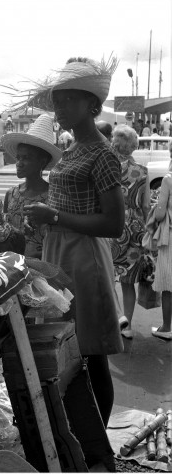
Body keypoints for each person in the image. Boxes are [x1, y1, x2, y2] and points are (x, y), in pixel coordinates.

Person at [22, 56, 125, 430]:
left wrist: (54, 217)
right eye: (57, 99)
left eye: (68, 99)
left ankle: (100, 450)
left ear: (92, 105)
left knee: (91, 354)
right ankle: (81, 437)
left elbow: (115, 224)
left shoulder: (102, 153)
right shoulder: (74, 149)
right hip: (60, 254)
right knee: (67, 349)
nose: (59, 107)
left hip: (84, 259)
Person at [0, 114, 62, 259]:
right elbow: (5, 232)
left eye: (26, 158)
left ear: (43, 161)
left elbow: (58, 240)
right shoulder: (11, 194)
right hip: (12, 268)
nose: (19, 163)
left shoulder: (53, 196)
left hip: (42, 269)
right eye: (18, 157)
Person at [109, 125, 150, 339]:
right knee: (128, 282)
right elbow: (145, 206)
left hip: (110, 225)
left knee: (107, 278)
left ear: (114, 144)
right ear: (134, 146)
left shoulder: (108, 169)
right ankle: (128, 326)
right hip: (135, 229)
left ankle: (113, 320)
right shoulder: (143, 171)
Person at [150, 141, 172, 340]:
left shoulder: (168, 179)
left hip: (170, 237)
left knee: (168, 283)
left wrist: (156, 205)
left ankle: (166, 327)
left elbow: (160, 214)